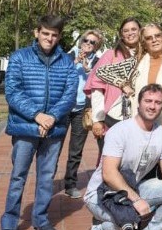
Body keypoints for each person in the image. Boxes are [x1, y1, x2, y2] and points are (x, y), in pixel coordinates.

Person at [2, 15, 79, 230]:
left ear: (59, 37)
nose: (49, 38)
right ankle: (9, 221)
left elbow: (70, 94)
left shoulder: (67, 62)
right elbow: (12, 91)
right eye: (45, 33)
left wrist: (51, 117)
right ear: (37, 32)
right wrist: (37, 115)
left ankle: (41, 220)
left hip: (54, 129)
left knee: (46, 178)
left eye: (54, 35)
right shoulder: (19, 57)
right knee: (18, 177)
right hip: (25, 127)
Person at [84, 84, 162, 230]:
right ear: (138, 104)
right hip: (101, 194)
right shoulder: (119, 131)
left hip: (132, 189)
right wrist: (137, 200)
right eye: (148, 101)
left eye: (158, 102)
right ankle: (104, 226)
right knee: (125, 220)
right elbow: (109, 174)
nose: (152, 106)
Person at [95, 23, 162, 150]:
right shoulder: (136, 63)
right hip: (139, 123)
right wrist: (123, 84)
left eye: (157, 35)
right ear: (144, 42)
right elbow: (101, 71)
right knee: (139, 167)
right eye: (149, 38)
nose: (154, 39)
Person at [85, 18, 142, 147]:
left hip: (140, 116)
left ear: (140, 31)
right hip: (112, 116)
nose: (130, 33)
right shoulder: (111, 55)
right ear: (121, 34)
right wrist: (98, 119)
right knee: (109, 159)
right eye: (126, 30)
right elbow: (97, 88)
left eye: (134, 29)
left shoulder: (146, 56)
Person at [63, 29, 104, 199]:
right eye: (85, 40)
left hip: (82, 110)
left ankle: (70, 184)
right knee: (53, 147)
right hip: (63, 108)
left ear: (97, 46)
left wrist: (88, 71)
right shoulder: (69, 55)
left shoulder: (98, 61)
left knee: (76, 149)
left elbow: (99, 84)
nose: (87, 43)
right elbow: (59, 75)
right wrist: (74, 63)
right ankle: (45, 183)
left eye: (92, 42)